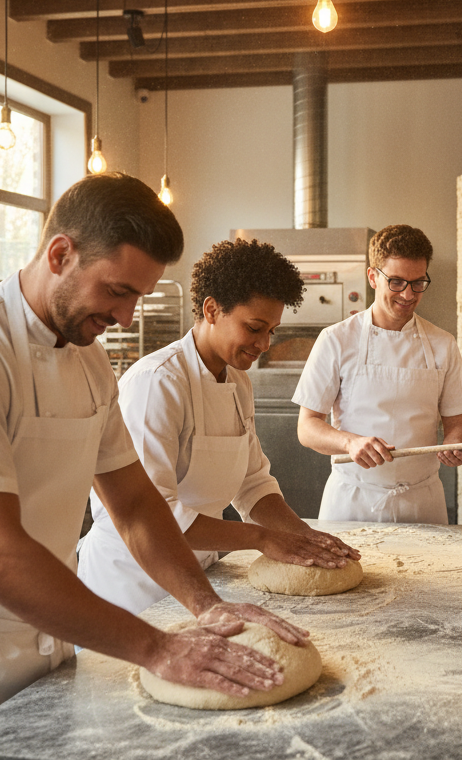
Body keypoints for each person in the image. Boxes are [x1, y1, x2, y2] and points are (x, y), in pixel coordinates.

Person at [0, 174, 307, 760]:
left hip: (48, 648)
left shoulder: (90, 364)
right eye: (117, 291)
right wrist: (157, 648)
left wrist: (205, 605)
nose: (126, 315)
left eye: (138, 296)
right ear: (60, 253)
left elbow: (137, 505)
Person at [79, 238, 360, 615]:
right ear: (212, 309)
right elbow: (154, 514)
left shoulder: (236, 380)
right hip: (132, 587)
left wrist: (302, 535)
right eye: (254, 327)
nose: (264, 344)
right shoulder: (157, 383)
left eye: (272, 331)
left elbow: (253, 483)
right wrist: (262, 538)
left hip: (200, 574)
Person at [294, 224, 462, 523]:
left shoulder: (443, 344)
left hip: (422, 502)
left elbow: (459, 426)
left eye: (418, 283)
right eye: (397, 282)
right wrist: (350, 443)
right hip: (353, 502)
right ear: (373, 277)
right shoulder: (336, 340)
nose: (408, 294)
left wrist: (456, 444)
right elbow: (307, 427)